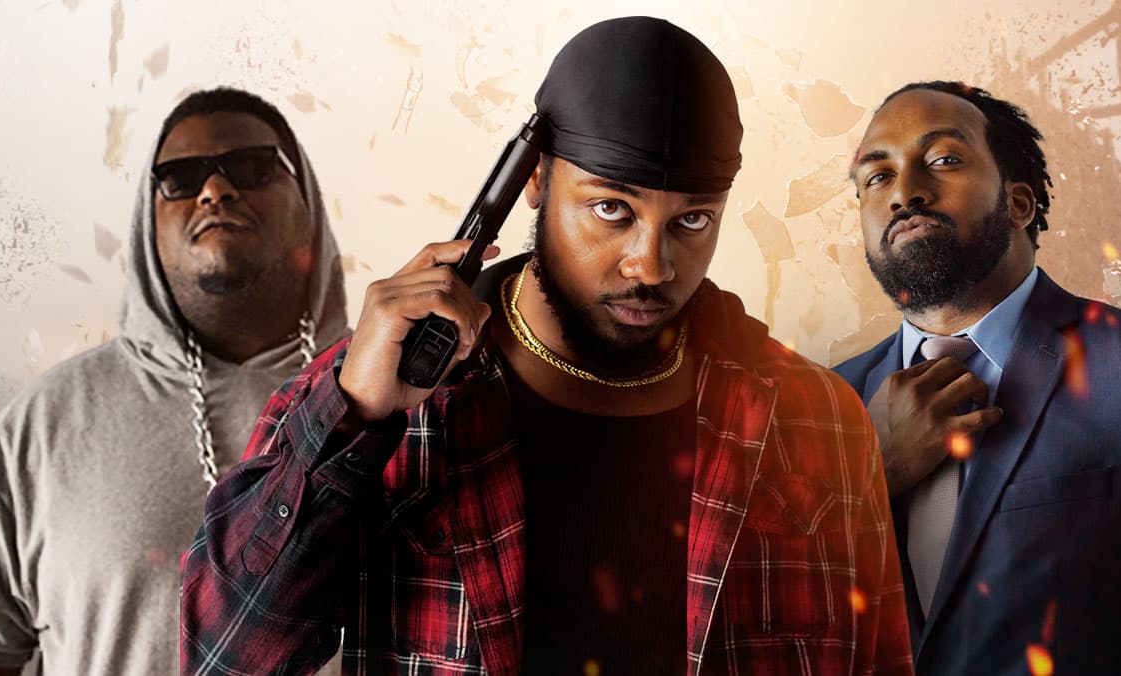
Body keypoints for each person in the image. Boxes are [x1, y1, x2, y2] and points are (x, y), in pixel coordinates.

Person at [181, 17, 912, 676]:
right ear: (533, 179)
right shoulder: (380, 402)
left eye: (692, 222)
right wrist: (357, 417)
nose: (651, 266)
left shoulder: (815, 419)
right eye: (611, 209)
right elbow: (222, 658)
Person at [0, 87, 350, 675]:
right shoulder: (45, 423)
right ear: (147, 218)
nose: (215, 190)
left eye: (250, 167)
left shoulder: (408, 399)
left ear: (308, 198)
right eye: (181, 179)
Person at [833, 80, 1121, 675]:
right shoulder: (820, 404)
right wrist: (870, 474)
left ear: (1019, 203)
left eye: (943, 160)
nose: (904, 193)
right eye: (877, 177)